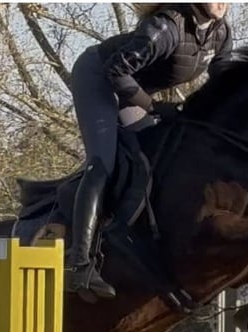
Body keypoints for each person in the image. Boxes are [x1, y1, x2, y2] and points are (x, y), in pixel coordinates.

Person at [66, 3, 232, 299]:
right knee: (103, 162)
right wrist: (153, 107)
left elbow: (224, 85)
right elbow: (115, 70)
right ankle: (79, 264)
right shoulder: (166, 28)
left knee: (157, 157)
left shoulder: (220, 33)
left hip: (133, 89)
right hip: (98, 77)